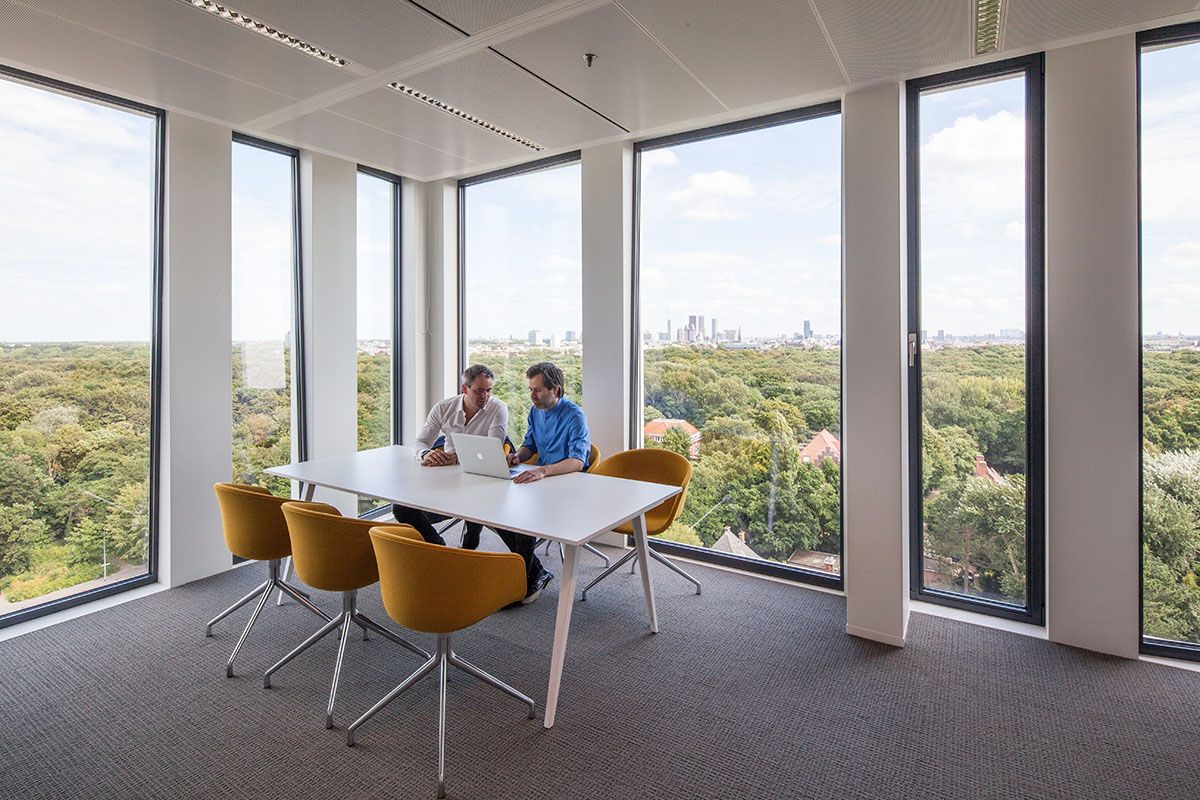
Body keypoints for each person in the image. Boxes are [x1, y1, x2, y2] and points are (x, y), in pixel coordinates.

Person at [498, 361, 591, 604]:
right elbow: (531, 445)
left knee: (523, 518)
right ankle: (533, 571)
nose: (532, 395)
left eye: (537, 390)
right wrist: (518, 456)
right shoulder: (535, 411)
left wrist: (543, 471)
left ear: (555, 390)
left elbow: (577, 462)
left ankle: (526, 580)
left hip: (569, 485)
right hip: (543, 482)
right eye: (530, 389)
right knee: (497, 512)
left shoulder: (574, 415)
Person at [391, 364, 507, 548]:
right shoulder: (444, 408)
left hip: (480, 477)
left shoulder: (498, 408)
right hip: (447, 476)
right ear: (464, 388)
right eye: (479, 391)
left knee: (481, 508)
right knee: (401, 508)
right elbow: (421, 442)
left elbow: (493, 450)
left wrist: (455, 457)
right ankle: (438, 546)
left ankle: (472, 531)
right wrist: (426, 454)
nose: (485, 396)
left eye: (488, 390)